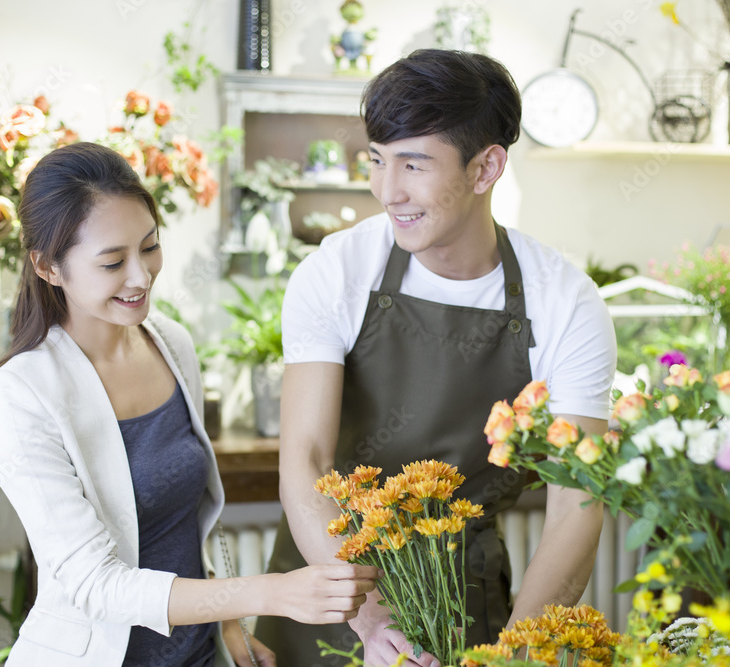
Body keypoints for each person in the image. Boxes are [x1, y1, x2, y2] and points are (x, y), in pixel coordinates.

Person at [254, 49, 617, 666]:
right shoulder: (336, 272)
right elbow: (307, 464)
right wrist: (370, 624)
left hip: (464, 599)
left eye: (413, 164)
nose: (387, 191)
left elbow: (576, 507)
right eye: (377, 160)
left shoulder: (566, 302)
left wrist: (511, 655)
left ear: (486, 168)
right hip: (329, 583)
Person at [0, 142, 380, 667]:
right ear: (49, 267)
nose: (140, 277)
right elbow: (96, 584)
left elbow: (183, 532)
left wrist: (227, 624)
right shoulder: (19, 395)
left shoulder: (169, 342)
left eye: (150, 247)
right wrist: (270, 593)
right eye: (113, 261)